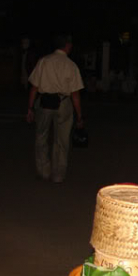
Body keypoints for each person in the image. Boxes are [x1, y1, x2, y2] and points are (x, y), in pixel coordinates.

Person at [26, 34, 84, 183]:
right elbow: (75, 94)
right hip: (63, 102)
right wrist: (79, 116)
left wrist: (30, 108)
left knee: (41, 136)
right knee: (61, 139)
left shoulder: (44, 61)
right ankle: (58, 174)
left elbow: (34, 87)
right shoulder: (71, 65)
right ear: (67, 46)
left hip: (45, 101)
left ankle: (43, 171)